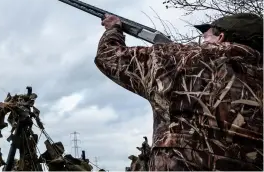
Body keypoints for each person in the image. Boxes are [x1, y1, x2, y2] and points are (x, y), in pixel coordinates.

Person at [94, 12, 263, 171]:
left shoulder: (184, 58)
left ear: (221, 38)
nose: (201, 43)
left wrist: (113, 29)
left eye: (205, 37)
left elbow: (110, 57)